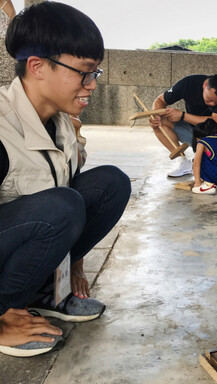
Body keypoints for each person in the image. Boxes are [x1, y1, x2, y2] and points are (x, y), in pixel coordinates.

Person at [0, 2, 131, 357]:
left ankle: (47, 293)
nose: (92, 85)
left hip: (19, 240)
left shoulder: (61, 124)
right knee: (61, 206)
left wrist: (73, 263)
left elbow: (67, 189)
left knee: (111, 183)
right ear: (37, 67)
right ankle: (6, 313)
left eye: (96, 74)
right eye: (84, 73)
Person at [149, 73, 217, 178]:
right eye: (210, 99)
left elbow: (216, 121)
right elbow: (160, 100)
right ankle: (183, 162)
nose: (212, 104)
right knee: (159, 123)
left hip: (216, 131)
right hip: (194, 131)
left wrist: (182, 116)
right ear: (205, 85)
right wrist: (155, 114)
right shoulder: (188, 83)